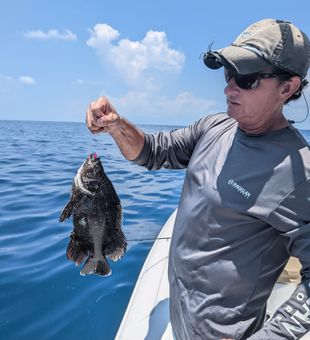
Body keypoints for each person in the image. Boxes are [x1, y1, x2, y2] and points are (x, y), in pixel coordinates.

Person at [86, 19, 310, 340]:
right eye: (229, 72)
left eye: (246, 78)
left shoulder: (299, 175)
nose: (229, 87)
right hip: (179, 321)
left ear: (287, 88)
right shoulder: (213, 126)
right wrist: (116, 125)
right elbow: (153, 151)